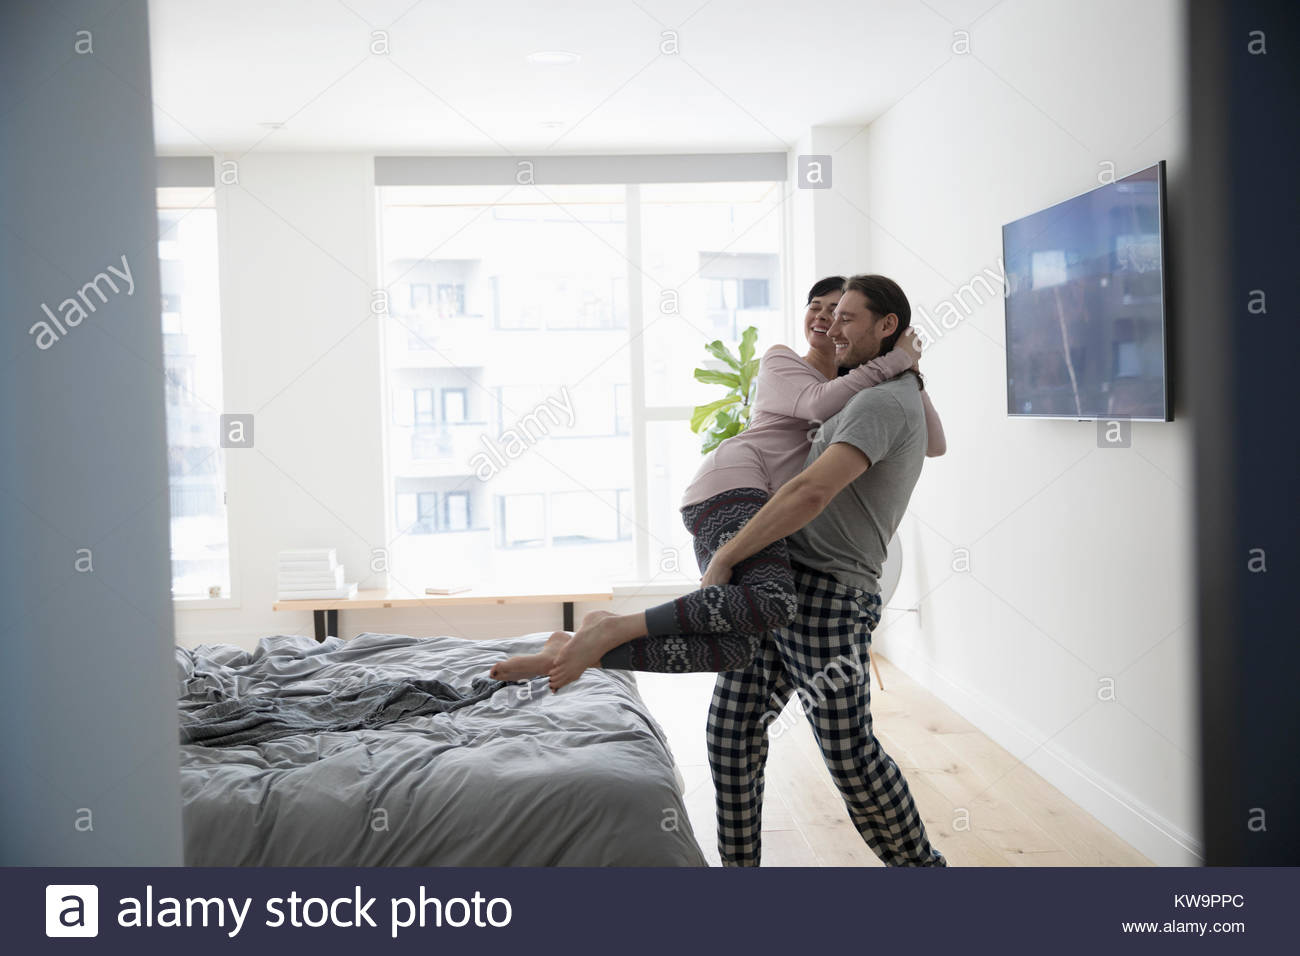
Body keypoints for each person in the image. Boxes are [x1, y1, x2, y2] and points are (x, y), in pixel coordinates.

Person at [490, 276, 945, 689]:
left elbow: (934, 443)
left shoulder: (858, 385)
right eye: (819, 307)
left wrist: (909, 370)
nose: (826, 318)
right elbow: (815, 405)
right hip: (731, 486)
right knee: (771, 601)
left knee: (736, 648)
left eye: (841, 313)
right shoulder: (783, 362)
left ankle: (573, 649)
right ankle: (611, 627)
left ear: (877, 326)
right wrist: (894, 360)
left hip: (757, 502)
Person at [699, 274, 946, 866]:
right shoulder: (862, 389)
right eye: (826, 315)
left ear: (887, 327)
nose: (832, 328)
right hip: (788, 579)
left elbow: (810, 491)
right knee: (732, 732)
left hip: (830, 597)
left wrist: (728, 554)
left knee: (849, 756)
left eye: (847, 318)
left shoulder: (883, 400)